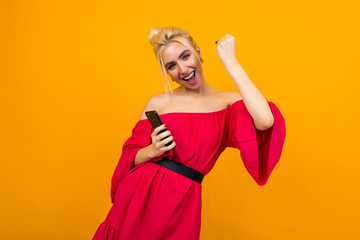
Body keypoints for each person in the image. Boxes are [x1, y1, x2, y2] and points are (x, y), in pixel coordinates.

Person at [93, 26, 286, 240]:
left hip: (182, 202)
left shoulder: (228, 102)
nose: (183, 69)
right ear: (168, 74)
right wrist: (151, 150)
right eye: (172, 66)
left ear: (198, 52)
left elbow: (266, 121)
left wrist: (231, 62)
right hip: (139, 196)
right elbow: (129, 155)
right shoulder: (158, 102)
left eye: (186, 56)